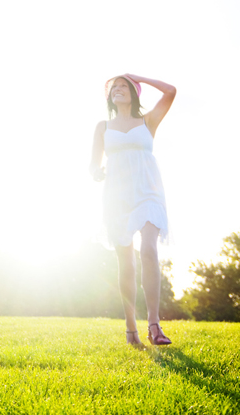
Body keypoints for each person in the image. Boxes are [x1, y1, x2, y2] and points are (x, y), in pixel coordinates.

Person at [89, 74, 177, 348]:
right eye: (114, 87)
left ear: (134, 92)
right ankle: (131, 328)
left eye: (124, 86)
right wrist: (97, 173)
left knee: (149, 249)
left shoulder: (147, 121)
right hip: (117, 197)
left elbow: (171, 91)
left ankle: (154, 324)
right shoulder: (102, 127)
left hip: (148, 192)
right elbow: (93, 166)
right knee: (125, 262)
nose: (118, 89)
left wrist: (137, 77)